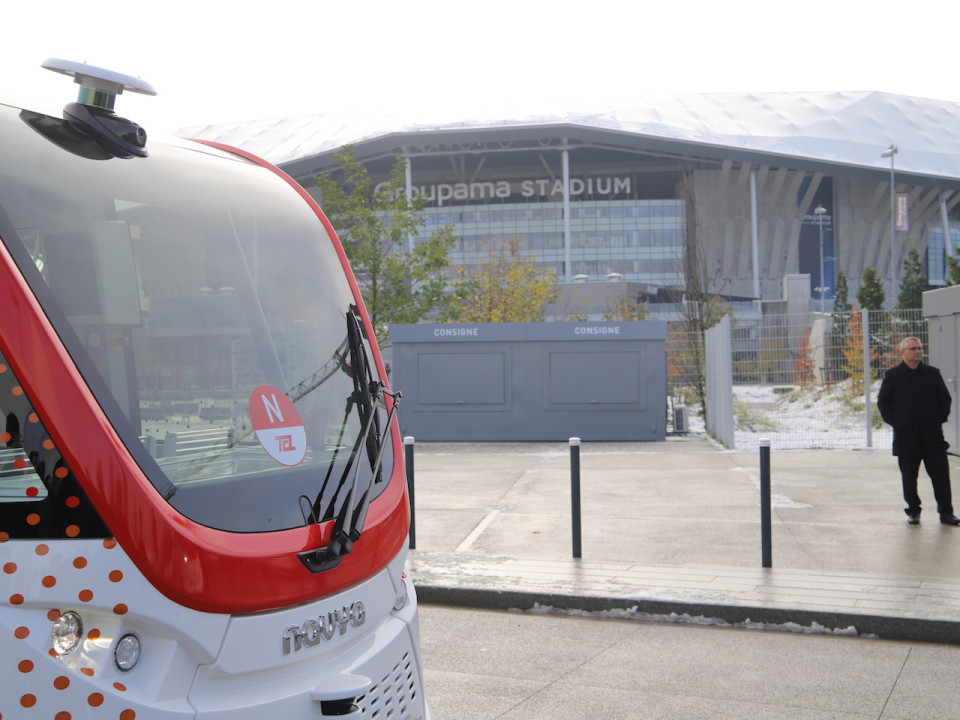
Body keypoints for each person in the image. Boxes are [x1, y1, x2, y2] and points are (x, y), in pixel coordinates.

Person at [878, 337, 960, 525]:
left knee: (941, 476)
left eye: (919, 348)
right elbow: (883, 402)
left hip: (932, 436)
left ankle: (946, 512)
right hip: (906, 437)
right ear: (903, 352)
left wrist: (937, 419)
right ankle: (913, 511)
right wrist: (897, 421)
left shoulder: (932, 374)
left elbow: (945, 399)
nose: (918, 351)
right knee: (909, 477)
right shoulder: (893, 375)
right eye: (913, 349)